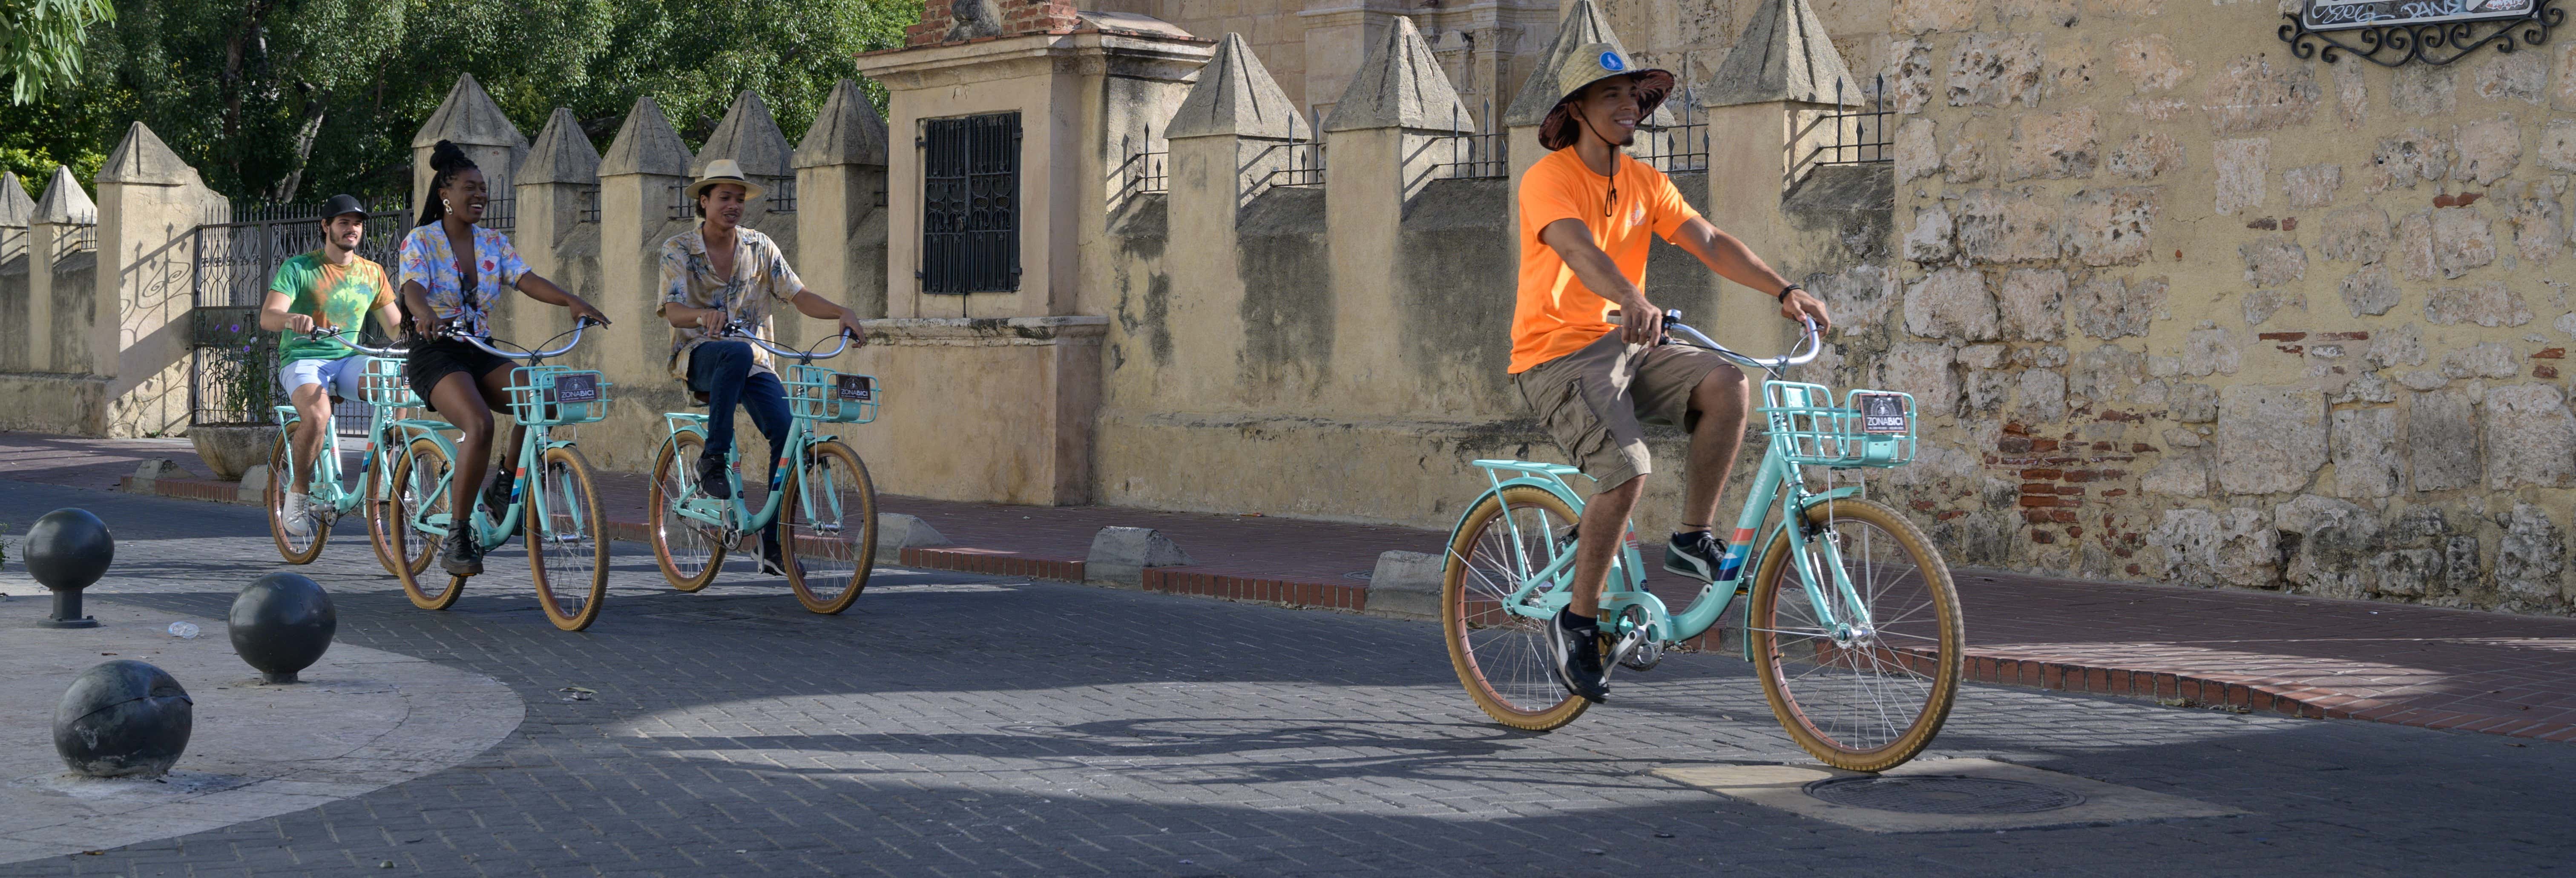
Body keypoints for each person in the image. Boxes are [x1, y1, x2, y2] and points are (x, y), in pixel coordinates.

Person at [1511, 46, 1834, 703]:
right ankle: (1579, 620)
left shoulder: (1645, 182)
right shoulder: (1549, 178)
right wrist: (1631, 296)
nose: (1630, 107)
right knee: (1627, 468)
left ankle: (1691, 537)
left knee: (1728, 385)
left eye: (1636, 96)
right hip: (1558, 354)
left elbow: (1710, 242)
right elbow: (1576, 247)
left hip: (1632, 346)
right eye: (1612, 97)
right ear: (1576, 111)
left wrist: (1784, 290)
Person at [397, 140, 612, 576]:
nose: (479, 196)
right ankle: (458, 535)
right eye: (470, 188)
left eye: (484, 189)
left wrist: (573, 301)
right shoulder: (421, 240)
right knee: (480, 424)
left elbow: (527, 279)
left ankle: (503, 486)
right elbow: (413, 288)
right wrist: (425, 315)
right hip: (436, 351)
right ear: (445, 193)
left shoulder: (493, 242)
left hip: (481, 349)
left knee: (543, 400)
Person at [657, 158, 868, 576]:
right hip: (699, 357)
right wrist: (703, 317)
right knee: (734, 351)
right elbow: (673, 310)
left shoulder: (760, 247)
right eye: (724, 198)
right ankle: (712, 460)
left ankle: (771, 545)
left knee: (788, 434)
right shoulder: (678, 249)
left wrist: (842, 312)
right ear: (704, 201)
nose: (733, 205)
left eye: (739, 198)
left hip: (752, 362)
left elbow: (799, 294)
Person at [258, 193, 404, 537]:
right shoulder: (299, 268)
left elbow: (396, 327)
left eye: (357, 224)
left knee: (396, 390)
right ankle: (299, 493)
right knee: (318, 416)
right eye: (343, 223)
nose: (352, 229)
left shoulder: (372, 273)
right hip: (304, 358)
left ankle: (391, 473)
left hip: (349, 357)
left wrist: (430, 330)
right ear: (326, 227)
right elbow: (268, 316)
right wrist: (292, 318)